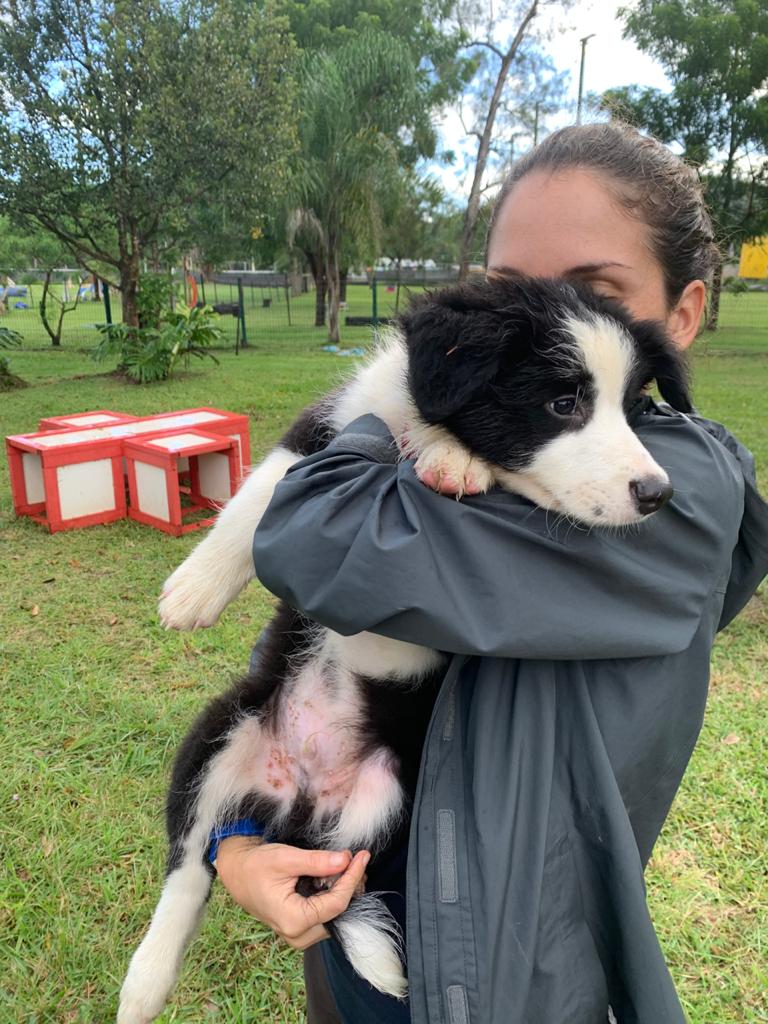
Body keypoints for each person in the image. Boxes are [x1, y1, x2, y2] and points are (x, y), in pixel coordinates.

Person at [213, 122, 768, 1024]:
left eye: (593, 291)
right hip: (350, 907)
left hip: (500, 980)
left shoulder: (672, 498)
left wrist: (391, 426)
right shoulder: (514, 449)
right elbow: (318, 652)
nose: (543, 320)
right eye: (512, 293)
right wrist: (239, 836)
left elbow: (310, 537)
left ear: (684, 314)